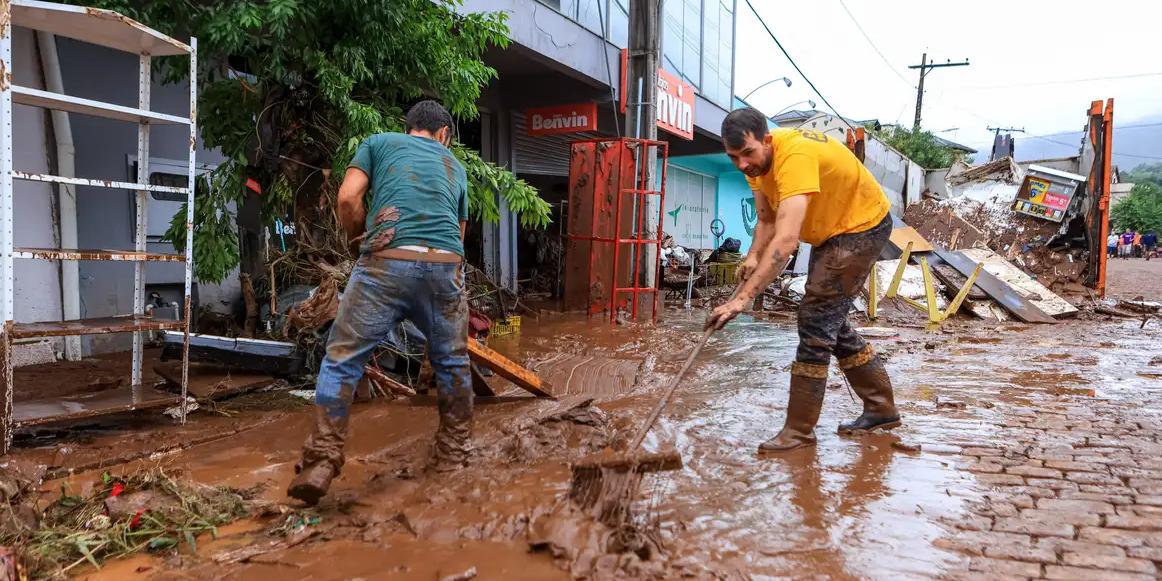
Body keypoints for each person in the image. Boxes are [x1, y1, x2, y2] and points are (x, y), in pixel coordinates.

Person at [288, 100, 473, 504]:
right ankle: (453, 456)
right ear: (444, 135)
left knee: (342, 359)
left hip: (386, 262)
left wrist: (357, 238)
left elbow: (347, 199)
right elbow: (458, 238)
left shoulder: (377, 142)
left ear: (410, 128)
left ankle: (322, 460)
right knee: (453, 361)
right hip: (444, 267)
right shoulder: (455, 167)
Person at [706, 107, 899, 452]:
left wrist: (741, 299)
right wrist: (752, 256)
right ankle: (881, 408)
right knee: (827, 322)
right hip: (831, 232)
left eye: (747, 153)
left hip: (862, 225)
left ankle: (798, 431)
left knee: (815, 321)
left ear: (766, 140)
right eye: (733, 157)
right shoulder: (755, 164)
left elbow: (786, 240)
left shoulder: (793, 157)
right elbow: (766, 221)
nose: (741, 164)